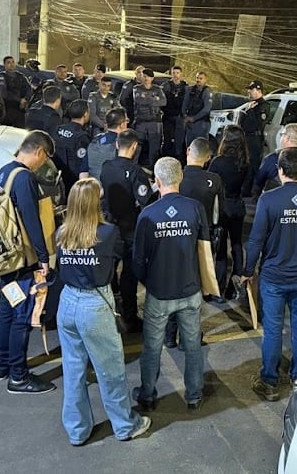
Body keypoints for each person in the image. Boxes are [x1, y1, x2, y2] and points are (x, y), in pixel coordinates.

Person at [54, 178, 152, 445]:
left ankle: (77, 430)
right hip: (93, 306)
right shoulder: (107, 233)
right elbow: (117, 259)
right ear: (95, 203)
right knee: (110, 370)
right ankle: (124, 425)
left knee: (73, 370)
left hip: (68, 304)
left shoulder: (61, 233)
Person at [241, 149, 297, 402]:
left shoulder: (268, 200)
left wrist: (248, 270)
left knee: (273, 329)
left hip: (274, 277)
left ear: (280, 171)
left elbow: (256, 240)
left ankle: (269, 381)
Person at [132, 158, 209, 412]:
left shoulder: (148, 214)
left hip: (159, 292)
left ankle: (147, 394)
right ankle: (194, 395)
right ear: (180, 179)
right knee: (193, 345)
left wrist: (149, 280)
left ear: (157, 181)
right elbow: (205, 249)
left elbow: (138, 261)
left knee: (152, 347)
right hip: (190, 289)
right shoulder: (195, 208)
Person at [0, 130, 56, 394]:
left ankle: (3, 365)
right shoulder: (25, 178)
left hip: (3, 255)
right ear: (39, 152)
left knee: (6, 310)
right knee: (22, 316)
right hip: (21, 260)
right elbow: (32, 222)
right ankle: (18, 377)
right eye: (45, 158)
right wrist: (43, 259)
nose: (43, 164)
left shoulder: (3, 172)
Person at [167, 137, 221, 348]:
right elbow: (218, 213)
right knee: (193, 291)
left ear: (188, 150)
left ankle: (170, 335)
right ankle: (189, 337)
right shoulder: (214, 180)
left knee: (173, 286)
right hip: (200, 240)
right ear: (208, 158)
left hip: (172, 237)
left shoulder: (176, 177)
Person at [100, 130, 154, 333]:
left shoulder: (106, 167)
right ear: (133, 147)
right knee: (129, 274)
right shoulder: (135, 171)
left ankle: (110, 308)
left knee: (109, 270)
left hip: (109, 226)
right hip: (130, 228)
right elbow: (145, 200)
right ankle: (129, 315)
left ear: (116, 145)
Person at [208, 125, 250, 299]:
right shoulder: (245, 162)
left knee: (221, 246)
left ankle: (218, 286)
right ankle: (237, 283)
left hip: (222, 208)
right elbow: (247, 189)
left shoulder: (218, 162)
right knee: (237, 244)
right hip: (238, 206)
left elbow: (210, 184)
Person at [253, 123, 297, 195]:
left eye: (282, 134)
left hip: (275, 203)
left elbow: (258, 183)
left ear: (287, 138)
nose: (280, 137)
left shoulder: (272, 158)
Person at [54, 100, 91, 198]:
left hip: (56, 174)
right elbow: (82, 161)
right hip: (72, 179)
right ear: (85, 114)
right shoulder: (81, 136)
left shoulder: (59, 129)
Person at [238, 80, 270, 197]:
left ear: (258, 90)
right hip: (246, 137)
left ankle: (251, 192)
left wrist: (250, 111)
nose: (249, 91)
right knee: (244, 164)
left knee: (252, 166)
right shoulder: (250, 104)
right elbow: (243, 122)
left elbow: (258, 124)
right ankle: (244, 189)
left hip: (254, 139)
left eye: (251, 89)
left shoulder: (264, 106)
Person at [131, 68, 167, 166]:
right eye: (144, 76)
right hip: (141, 121)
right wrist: (154, 99)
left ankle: (153, 169)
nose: (146, 78)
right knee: (136, 147)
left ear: (152, 78)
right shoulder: (137, 88)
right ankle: (133, 167)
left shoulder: (157, 89)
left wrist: (147, 97)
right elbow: (139, 100)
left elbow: (163, 102)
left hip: (155, 122)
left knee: (154, 148)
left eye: (148, 76)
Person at [86, 107, 129, 182]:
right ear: (122, 125)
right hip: (112, 188)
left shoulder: (94, 141)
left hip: (94, 187)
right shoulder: (123, 144)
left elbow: (83, 171)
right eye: (126, 121)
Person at [180, 71, 213, 151]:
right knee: (189, 147)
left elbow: (206, 109)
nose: (198, 80)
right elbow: (185, 103)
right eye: (197, 78)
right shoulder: (191, 90)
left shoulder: (207, 91)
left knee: (201, 147)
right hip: (190, 123)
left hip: (201, 123)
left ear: (205, 80)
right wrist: (185, 116)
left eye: (201, 78)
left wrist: (194, 118)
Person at [161, 65, 188, 159]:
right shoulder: (166, 86)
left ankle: (178, 158)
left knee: (179, 140)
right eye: (173, 73)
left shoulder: (185, 86)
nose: (176, 75)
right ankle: (164, 157)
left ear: (181, 74)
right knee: (167, 139)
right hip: (168, 116)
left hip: (179, 117)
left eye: (177, 73)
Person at [0, 56, 32, 127]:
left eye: (13, 62)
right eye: (8, 62)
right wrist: (19, 100)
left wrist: (25, 99)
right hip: (8, 107)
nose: (11, 64)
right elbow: (3, 93)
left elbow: (29, 89)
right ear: (4, 65)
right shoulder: (2, 76)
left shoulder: (21, 76)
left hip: (21, 107)